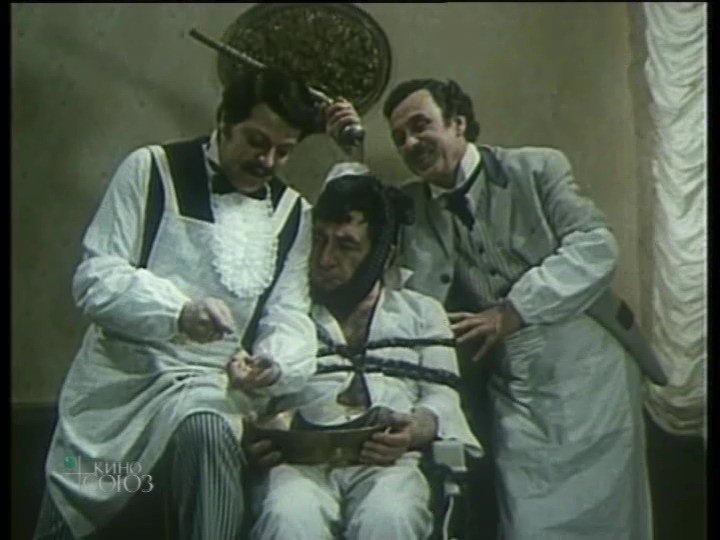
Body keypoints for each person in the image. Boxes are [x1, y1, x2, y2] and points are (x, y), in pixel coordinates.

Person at [33, 68, 362, 540]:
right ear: (224, 121)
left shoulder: (294, 214)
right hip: (119, 390)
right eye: (256, 141)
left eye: (284, 151)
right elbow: (95, 279)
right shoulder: (151, 170)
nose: (267, 161)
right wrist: (179, 312)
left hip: (210, 386)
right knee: (76, 488)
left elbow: (288, 313)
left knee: (207, 429)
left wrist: (273, 363)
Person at [382, 78, 661, 539]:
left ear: (458, 123)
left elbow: (596, 246)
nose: (411, 143)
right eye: (399, 137)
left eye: (420, 125)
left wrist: (515, 309)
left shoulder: (536, 168)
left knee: (609, 522)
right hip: (515, 385)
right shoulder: (411, 206)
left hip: (590, 372)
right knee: (529, 522)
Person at [242, 165, 482, 540]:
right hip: (300, 463)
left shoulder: (421, 313)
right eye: (319, 240)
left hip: (390, 464)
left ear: (384, 256)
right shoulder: (285, 312)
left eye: (346, 245)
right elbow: (252, 399)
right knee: (287, 517)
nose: (324, 259)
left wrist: (414, 429)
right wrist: (256, 435)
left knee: (390, 516)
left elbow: (442, 396)